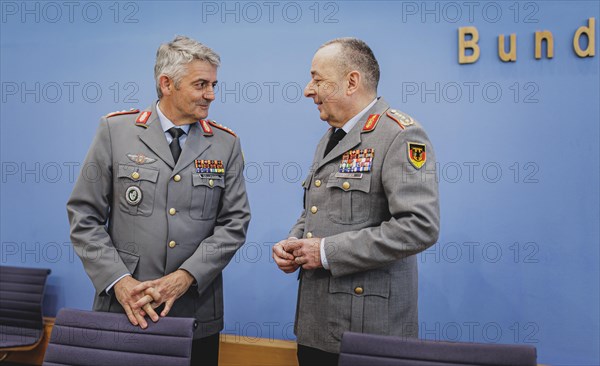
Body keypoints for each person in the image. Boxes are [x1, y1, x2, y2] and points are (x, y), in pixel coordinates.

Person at [67, 36, 250, 366]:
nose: (211, 94)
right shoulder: (115, 131)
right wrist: (119, 282)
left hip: (194, 311)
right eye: (201, 84)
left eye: (213, 84)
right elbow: (84, 215)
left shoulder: (226, 144)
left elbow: (234, 225)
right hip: (125, 307)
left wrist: (184, 278)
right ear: (167, 83)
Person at [272, 38, 440, 365]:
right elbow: (318, 209)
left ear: (351, 82)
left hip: (369, 334)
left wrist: (324, 252)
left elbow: (420, 226)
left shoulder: (400, 134)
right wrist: (295, 241)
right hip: (318, 325)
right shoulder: (330, 137)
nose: (308, 90)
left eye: (318, 79)